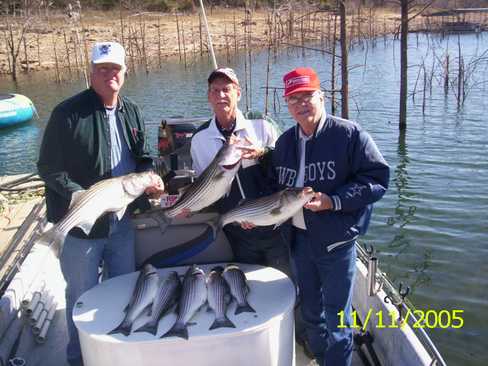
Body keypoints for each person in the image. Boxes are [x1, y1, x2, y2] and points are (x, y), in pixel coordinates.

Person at [37, 41, 165, 366]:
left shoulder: (132, 111)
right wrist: (76, 194)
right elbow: (48, 166)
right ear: (91, 73)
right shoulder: (67, 113)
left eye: (116, 69)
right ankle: (79, 357)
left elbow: (144, 158)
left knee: (121, 288)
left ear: (125, 72)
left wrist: (151, 179)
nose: (110, 74)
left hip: (122, 222)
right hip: (81, 224)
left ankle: (115, 351)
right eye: (103, 68)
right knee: (80, 296)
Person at [271, 67, 390, 366]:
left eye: (307, 96)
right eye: (293, 98)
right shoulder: (284, 143)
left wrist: (333, 201)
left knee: (338, 316)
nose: (301, 104)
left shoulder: (349, 135)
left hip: (336, 244)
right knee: (310, 309)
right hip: (299, 242)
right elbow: (275, 189)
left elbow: (377, 180)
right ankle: (321, 356)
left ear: (322, 97)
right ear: (287, 105)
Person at [190, 67, 291, 275]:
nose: (221, 96)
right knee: (248, 283)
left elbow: (287, 161)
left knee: (283, 281)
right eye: (215, 90)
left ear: (238, 92)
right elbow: (206, 187)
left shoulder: (262, 124)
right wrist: (189, 206)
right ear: (209, 96)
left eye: (226, 89)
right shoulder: (200, 139)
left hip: (274, 224)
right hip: (238, 230)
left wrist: (262, 153)